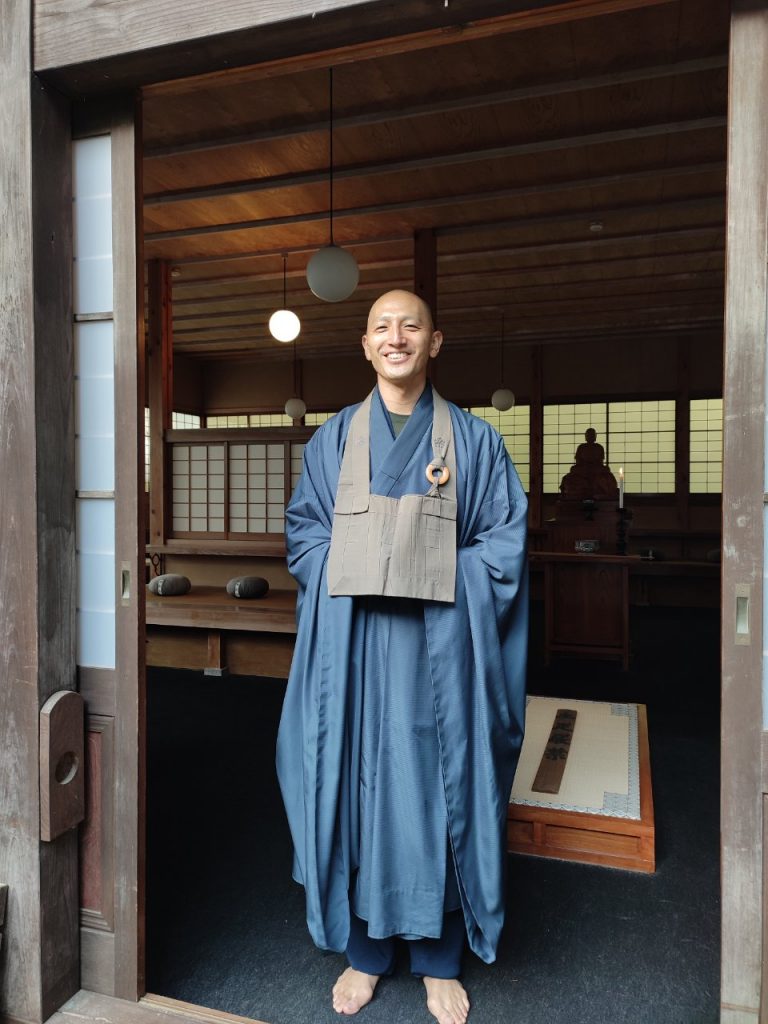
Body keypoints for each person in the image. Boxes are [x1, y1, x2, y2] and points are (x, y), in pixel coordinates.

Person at [276, 290, 528, 1024]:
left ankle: (440, 959)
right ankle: (366, 951)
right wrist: (355, 561)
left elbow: (503, 549)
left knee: (440, 790)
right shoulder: (332, 442)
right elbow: (304, 536)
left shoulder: (476, 443)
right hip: (353, 653)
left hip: (439, 654)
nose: (396, 337)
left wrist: (433, 566)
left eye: (410, 326)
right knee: (351, 785)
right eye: (382, 327)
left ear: (435, 342)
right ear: (365, 345)